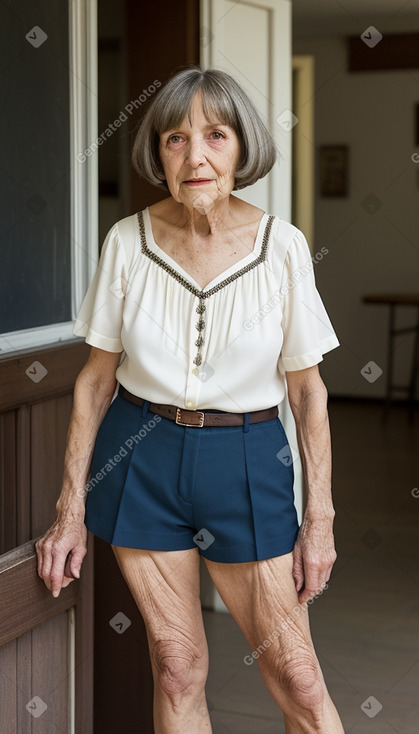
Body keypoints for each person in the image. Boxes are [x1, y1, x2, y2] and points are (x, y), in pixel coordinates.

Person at [36, 66, 344, 733]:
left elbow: (307, 393)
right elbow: (94, 380)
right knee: (177, 664)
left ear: (242, 148)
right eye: (175, 139)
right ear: (158, 154)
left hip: (247, 459)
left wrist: (317, 520)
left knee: (297, 674)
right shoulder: (127, 241)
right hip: (140, 458)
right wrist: (68, 508)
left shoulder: (281, 248)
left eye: (214, 135)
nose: (195, 155)